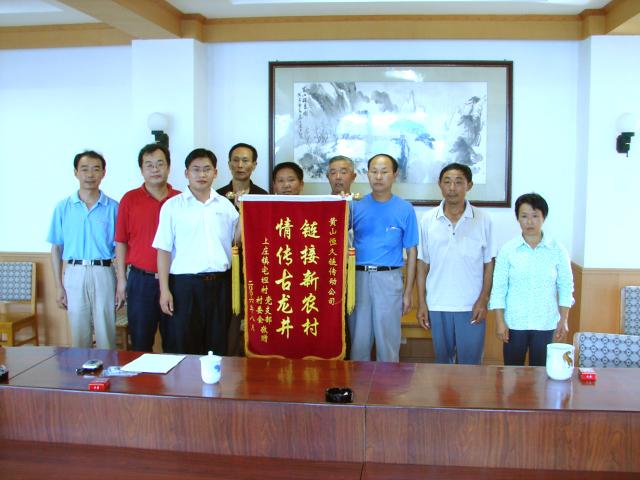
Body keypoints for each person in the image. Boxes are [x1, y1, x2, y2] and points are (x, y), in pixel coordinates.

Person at [153, 148, 239, 355]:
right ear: (186, 173)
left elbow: (237, 241)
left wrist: (245, 210)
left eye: (207, 169)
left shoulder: (225, 205)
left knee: (217, 344)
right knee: (184, 344)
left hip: (220, 285)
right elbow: (163, 250)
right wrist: (164, 290)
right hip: (185, 286)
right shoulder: (172, 206)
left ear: (215, 173)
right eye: (196, 169)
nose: (202, 174)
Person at [416, 162, 496, 365]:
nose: (452, 188)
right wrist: (422, 303)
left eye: (458, 182)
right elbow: (422, 264)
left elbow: (489, 264)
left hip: (471, 305)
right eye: (447, 182)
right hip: (437, 303)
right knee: (442, 364)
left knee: (471, 365)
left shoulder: (483, 219)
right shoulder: (428, 220)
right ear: (440, 184)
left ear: (469, 185)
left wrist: (483, 300)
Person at [489, 193, 574, 366]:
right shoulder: (508, 250)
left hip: (545, 322)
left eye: (535, 216)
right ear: (518, 219)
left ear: (544, 217)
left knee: (541, 373)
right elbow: (499, 287)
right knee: (512, 373)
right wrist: (499, 321)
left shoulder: (557, 249)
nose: (529, 222)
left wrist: (564, 319)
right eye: (524, 216)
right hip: (514, 323)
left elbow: (565, 286)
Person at [349, 153, 418, 362]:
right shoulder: (355, 206)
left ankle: (388, 383)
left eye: (384, 172)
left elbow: (412, 252)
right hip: (358, 278)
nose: (378, 177)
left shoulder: (405, 209)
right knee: (359, 342)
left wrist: (408, 292)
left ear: (395, 175)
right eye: (374, 171)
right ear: (367, 174)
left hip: (389, 278)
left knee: (388, 343)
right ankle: (359, 382)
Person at [47, 150, 119, 348]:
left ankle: (107, 368)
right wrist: (58, 286)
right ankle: (80, 368)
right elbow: (56, 248)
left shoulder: (114, 208)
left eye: (96, 169)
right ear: (75, 172)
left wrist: (121, 282)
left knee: (106, 331)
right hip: (74, 272)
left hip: (104, 271)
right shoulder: (63, 207)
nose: (90, 174)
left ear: (103, 173)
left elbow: (120, 249)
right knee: (79, 332)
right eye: (84, 169)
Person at [114, 143, 180, 352]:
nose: (155, 169)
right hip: (140, 281)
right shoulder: (129, 199)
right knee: (141, 343)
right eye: (149, 165)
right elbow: (121, 241)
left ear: (168, 167)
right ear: (141, 170)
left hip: (176, 281)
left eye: (160, 164)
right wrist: (122, 280)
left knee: (176, 342)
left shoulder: (181, 199)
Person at [216, 142, 267, 356]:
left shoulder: (263, 196)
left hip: (256, 270)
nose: (240, 165)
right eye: (235, 160)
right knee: (227, 321)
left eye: (245, 160)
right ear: (229, 164)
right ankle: (228, 363)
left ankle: (257, 364)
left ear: (254, 165)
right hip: (224, 272)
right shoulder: (217, 196)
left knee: (258, 320)